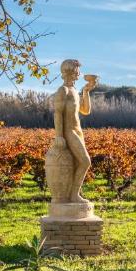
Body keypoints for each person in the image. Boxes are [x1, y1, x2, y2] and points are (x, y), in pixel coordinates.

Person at [51, 59, 96, 203]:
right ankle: (74, 195)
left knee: (78, 163)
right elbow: (57, 113)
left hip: (78, 131)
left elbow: (86, 110)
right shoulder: (62, 91)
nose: (79, 74)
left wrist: (86, 91)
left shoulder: (75, 92)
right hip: (69, 132)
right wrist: (59, 136)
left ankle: (73, 195)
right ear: (70, 72)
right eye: (77, 71)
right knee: (85, 161)